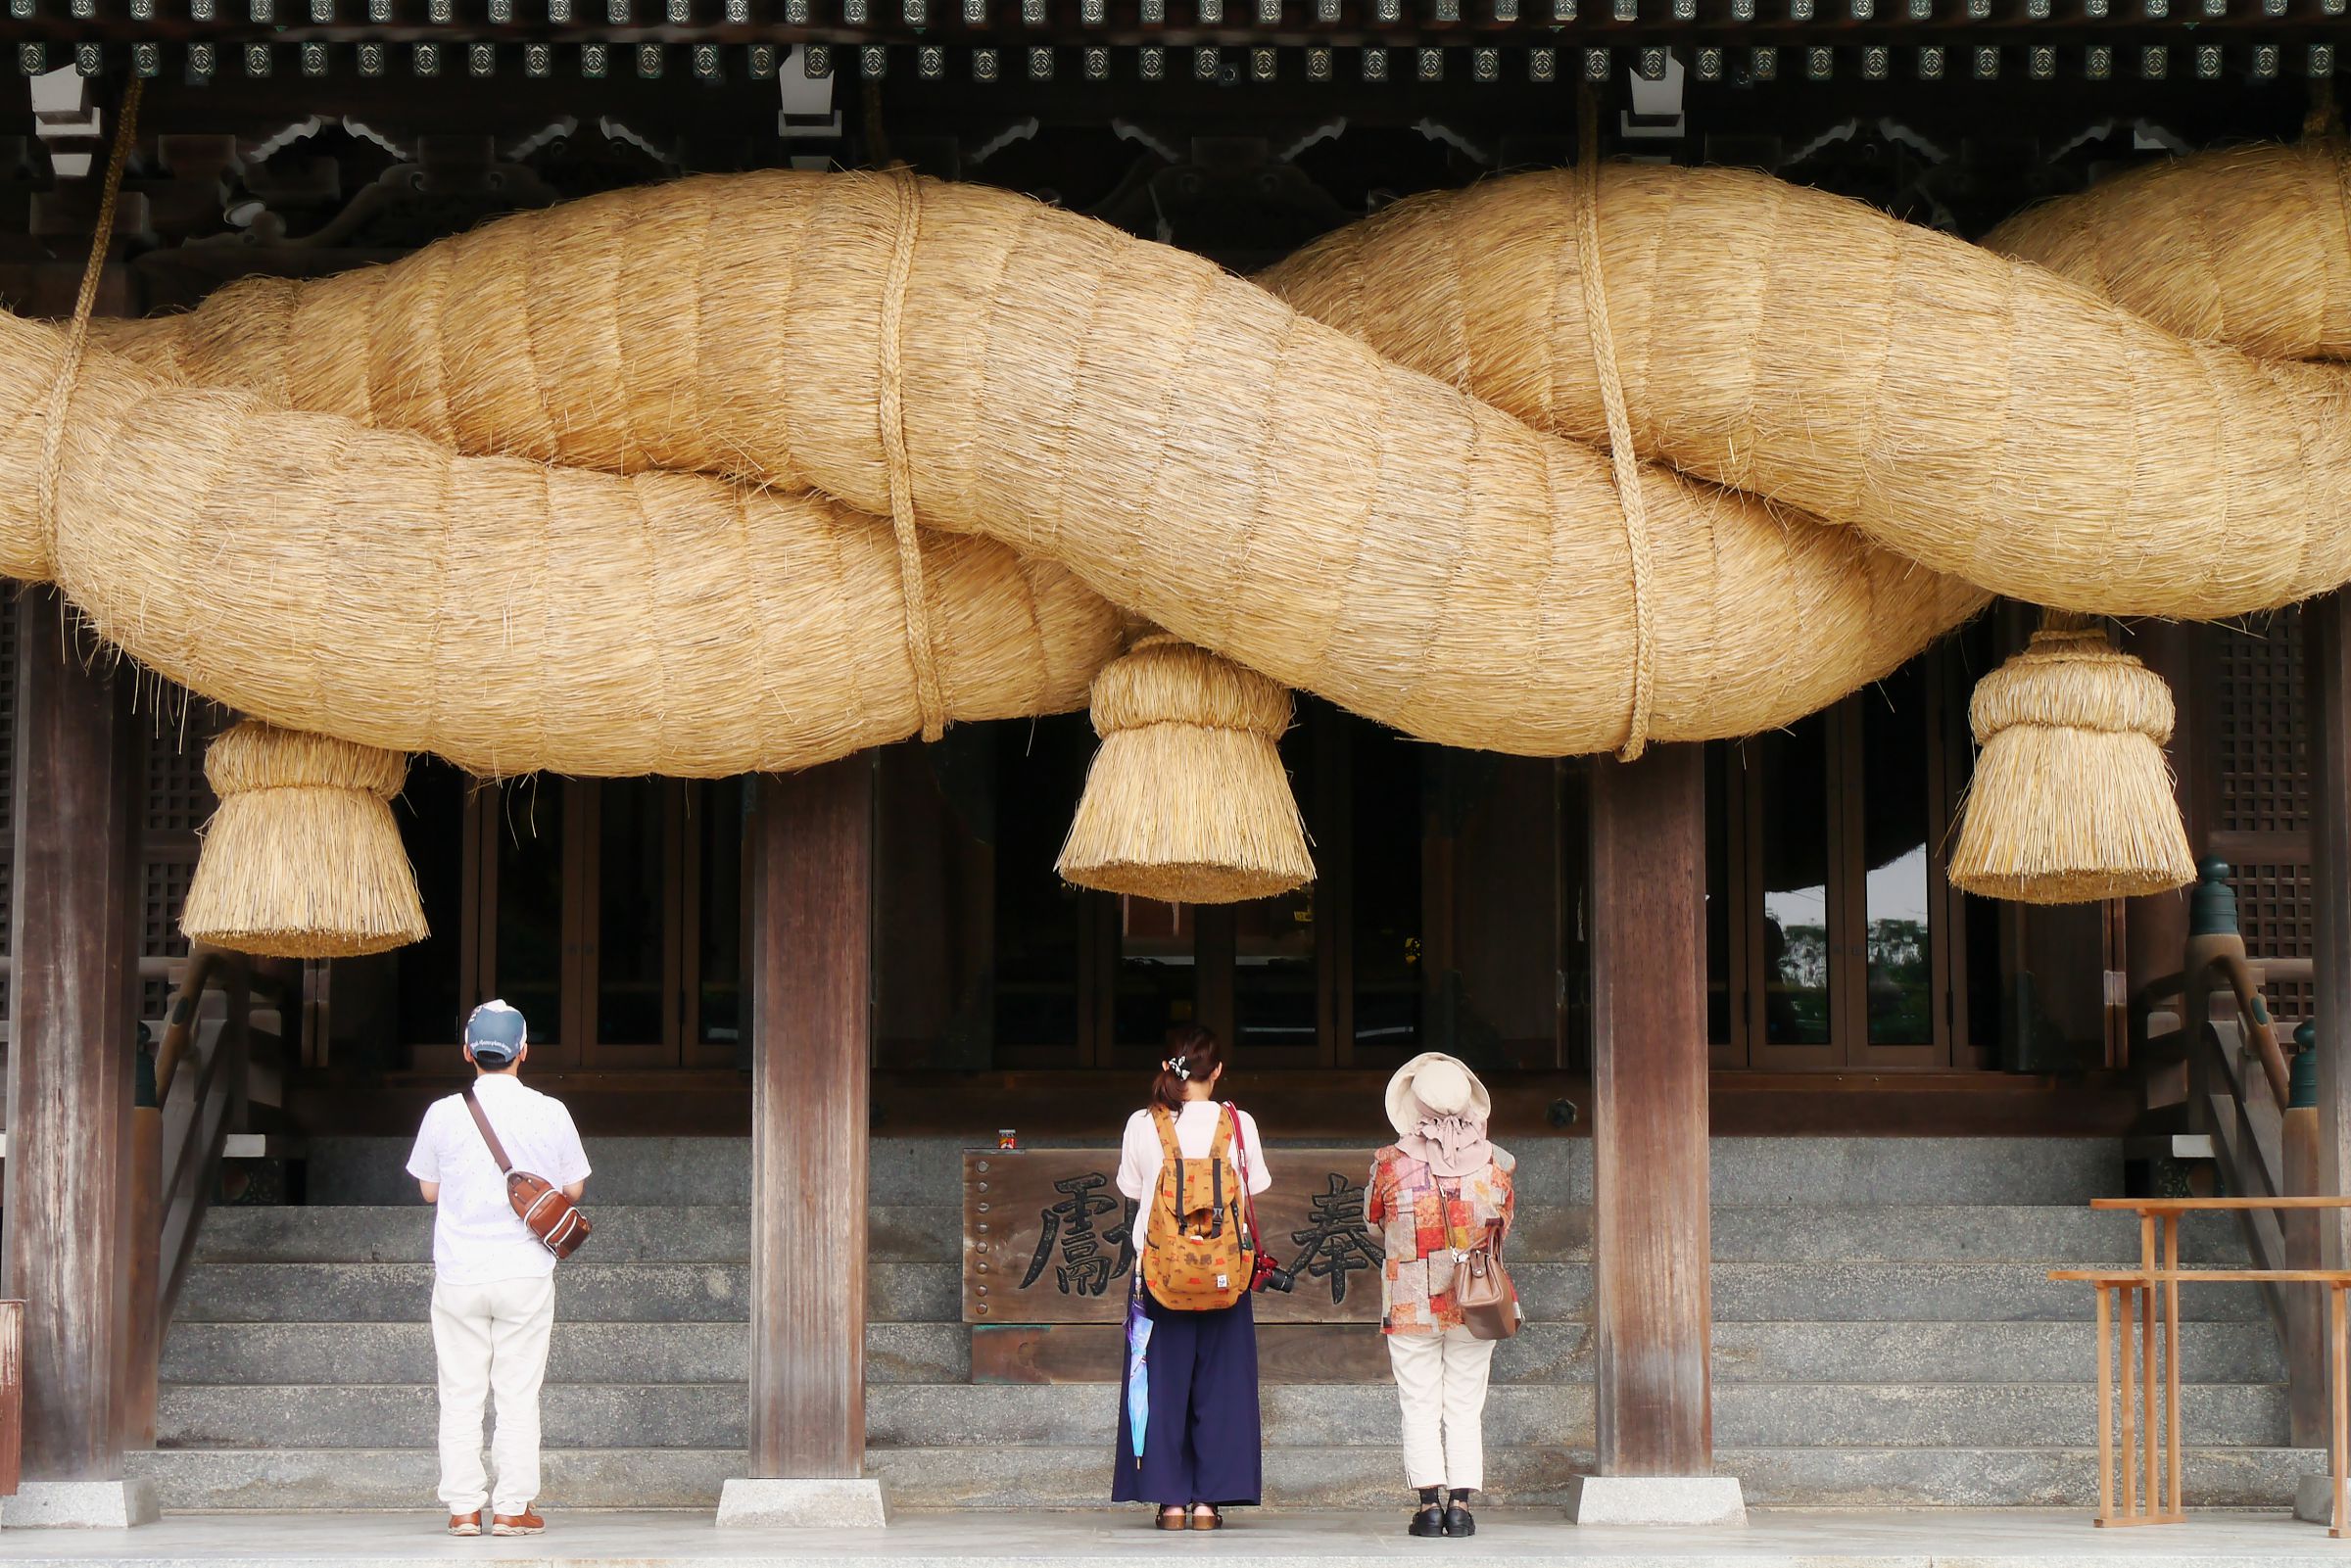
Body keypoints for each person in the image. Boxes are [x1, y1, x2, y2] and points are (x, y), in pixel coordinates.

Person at [406, 1000, 590, 1538]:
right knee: (517, 1393)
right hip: (524, 1273)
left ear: (468, 1051)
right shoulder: (550, 1111)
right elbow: (574, 1188)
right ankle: (512, 1507)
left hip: (460, 1273)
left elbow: (428, 1189)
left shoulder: (442, 1112)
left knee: (461, 1393)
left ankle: (463, 1508)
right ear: (523, 1053)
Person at [1111, 1023, 1271, 1530]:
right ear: (1217, 1071)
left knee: (1160, 1381)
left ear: (1167, 1067)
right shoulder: (1238, 1123)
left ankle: (1170, 1502)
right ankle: (1209, 1504)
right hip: (1226, 1275)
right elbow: (1253, 1190)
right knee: (1223, 1386)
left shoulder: (1143, 1124)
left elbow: (1134, 1190)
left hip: (1160, 1276)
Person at [1367, 1052, 1515, 1539]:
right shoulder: (1497, 1165)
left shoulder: (1389, 1164)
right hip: (1475, 1303)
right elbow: (1502, 1229)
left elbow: (1375, 1222)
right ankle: (1461, 1506)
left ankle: (1429, 1505)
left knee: (1419, 1400)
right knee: (1466, 1402)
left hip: (1409, 1302)